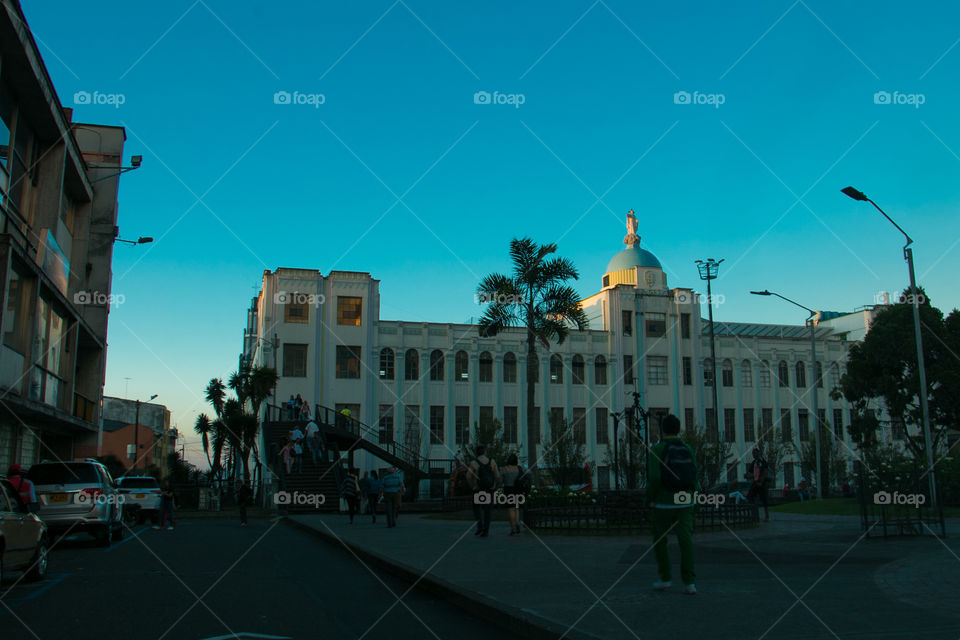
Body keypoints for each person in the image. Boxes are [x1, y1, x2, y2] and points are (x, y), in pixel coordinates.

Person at [646, 413, 697, 595]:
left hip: (663, 502)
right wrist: (693, 499)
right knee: (686, 541)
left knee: (661, 541)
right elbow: (694, 476)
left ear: (663, 429)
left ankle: (665, 578)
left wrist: (649, 498)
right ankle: (689, 582)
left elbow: (654, 478)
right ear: (678, 429)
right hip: (684, 501)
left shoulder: (657, 449)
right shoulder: (688, 448)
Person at [467, 445, 500, 537]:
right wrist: (494, 485)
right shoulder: (492, 462)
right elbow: (497, 476)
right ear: (485, 452)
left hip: (478, 489)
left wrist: (472, 486)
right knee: (487, 510)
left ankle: (479, 526)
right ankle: (486, 530)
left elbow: (468, 476)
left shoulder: (474, 463)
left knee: (477, 508)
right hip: (489, 489)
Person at [499, 453, 523, 536]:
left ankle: (513, 528)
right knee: (516, 508)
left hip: (508, 489)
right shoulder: (519, 468)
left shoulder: (504, 469)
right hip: (518, 490)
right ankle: (517, 523)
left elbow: (500, 481)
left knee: (510, 509)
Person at [746, 447, 771, 521]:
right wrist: (748, 475)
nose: (753, 455)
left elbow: (764, 471)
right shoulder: (754, 462)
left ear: (758, 453)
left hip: (762, 483)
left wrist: (761, 481)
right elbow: (751, 473)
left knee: (764, 500)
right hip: (755, 482)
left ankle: (767, 516)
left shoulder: (761, 461)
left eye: (755, 453)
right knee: (750, 496)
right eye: (753, 453)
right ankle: (754, 514)